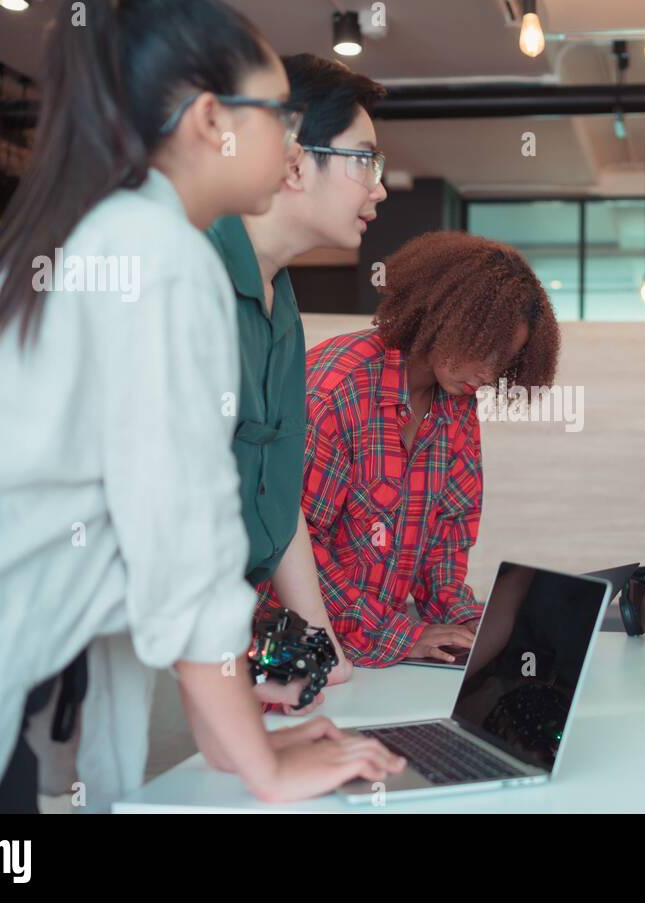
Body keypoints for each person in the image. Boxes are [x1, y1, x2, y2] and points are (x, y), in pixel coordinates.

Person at [0, 0, 400, 812]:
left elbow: (171, 546)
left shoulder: (100, 236)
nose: (290, 146)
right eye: (276, 118)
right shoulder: (155, 255)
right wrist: (264, 768)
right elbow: (185, 550)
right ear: (209, 122)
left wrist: (240, 740)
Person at [259, 231, 561, 667]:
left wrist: (466, 621)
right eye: (486, 350)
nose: (490, 373)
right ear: (444, 316)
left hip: (377, 656)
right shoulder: (335, 393)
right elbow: (295, 544)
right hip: (292, 655)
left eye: (505, 362)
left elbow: (448, 533)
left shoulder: (456, 405)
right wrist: (396, 634)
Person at [206, 53, 388, 711]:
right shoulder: (186, 272)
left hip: (196, 632)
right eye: (363, 160)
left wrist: (324, 648)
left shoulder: (281, 303)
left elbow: (278, 501)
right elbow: (171, 520)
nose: (380, 187)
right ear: (292, 161)